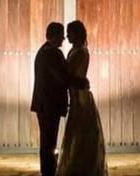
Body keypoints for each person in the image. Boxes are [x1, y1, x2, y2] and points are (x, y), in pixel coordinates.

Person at [31, 22, 89, 176]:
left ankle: (48, 171)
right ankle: (48, 172)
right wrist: (82, 83)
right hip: (49, 105)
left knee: (47, 142)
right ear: (55, 36)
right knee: (49, 143)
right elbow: (62, 77)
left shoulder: (45, 50)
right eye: (61, 35)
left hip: (44, 104)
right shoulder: (52, 53)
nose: (64, 38)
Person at [56, 20, 108, 176]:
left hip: (80, 96)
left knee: (81, 133)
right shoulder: (75, 50)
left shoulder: (80, 52)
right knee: (78, 133)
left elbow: (69, 73)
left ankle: (82, 166)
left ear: (76, 33)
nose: (66, 36)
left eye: (69, 32)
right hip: (75, 93)